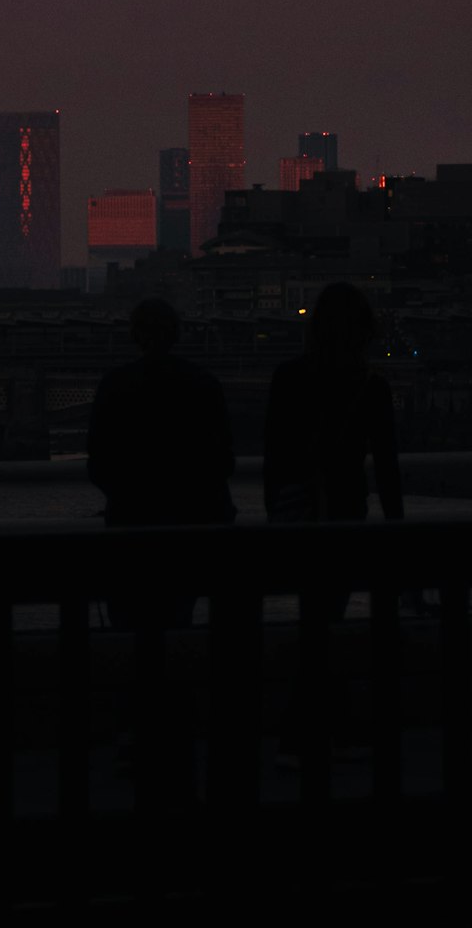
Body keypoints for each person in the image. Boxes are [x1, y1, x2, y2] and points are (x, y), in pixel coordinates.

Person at [264, 282, 403, 764]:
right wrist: (396, 529)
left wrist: (276, 514)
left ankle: (313, 729)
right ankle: (328, 727)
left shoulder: (287, 378)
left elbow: (274, 457)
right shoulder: (372, 386)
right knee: (327, 621)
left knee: (314, 623)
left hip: (298, 517)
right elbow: (386, 468)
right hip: (346, 518)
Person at [88, 297, 236, 630]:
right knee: (177, 618)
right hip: (190, 530)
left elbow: (97, 461)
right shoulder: (203, 384)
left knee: (128, 625)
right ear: (177, 335)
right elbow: (223, 460)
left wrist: (129, 495)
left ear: (134, 335)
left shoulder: (115, 384)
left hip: (130, 527)